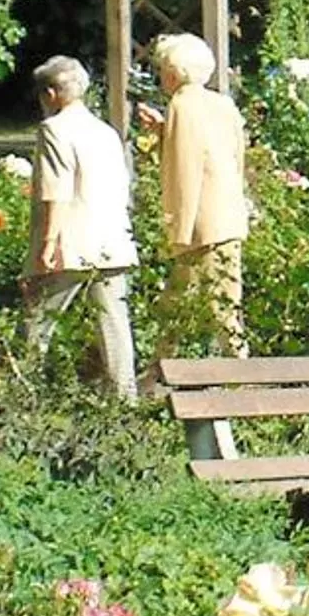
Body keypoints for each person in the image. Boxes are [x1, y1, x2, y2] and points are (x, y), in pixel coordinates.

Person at [19, 55, 140, 398]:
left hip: (70, 247)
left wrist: (46, 246)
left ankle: (21, 403)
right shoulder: (106, 132)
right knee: (115, 330)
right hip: (111, 243)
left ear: (52, 93)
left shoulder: (54, 130)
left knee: (36, 327)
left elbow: (55, 191)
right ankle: (126, 406)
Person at [149, 33, 250, 354]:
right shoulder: (222, 103)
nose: (160, 75)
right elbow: (231, 155)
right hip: (228, 219)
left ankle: (240, 377)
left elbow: (185, 168)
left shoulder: (181, 104)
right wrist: (164, 132)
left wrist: (176, 230)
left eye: (162, 68)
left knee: (187, 308)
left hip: (200, 226)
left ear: (174, 71)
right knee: (221, 302)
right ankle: (160, 372)